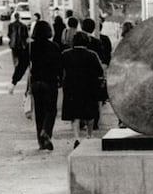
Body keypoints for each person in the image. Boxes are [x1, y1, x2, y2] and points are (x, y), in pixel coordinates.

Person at [62, 32, 103, 149]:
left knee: (74, 114)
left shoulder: (66, 54)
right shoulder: (92, 55)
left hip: (71, 87)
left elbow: (61, 70)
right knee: (89, 113)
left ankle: (76, 137)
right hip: (89, 87)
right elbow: (99, 71)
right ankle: (89, 135)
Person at [29, 21, 62, 150]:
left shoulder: (31, 47)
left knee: (39, 112)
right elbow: (60, 65)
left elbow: (22, 65)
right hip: (50, 82)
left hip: (36, 83)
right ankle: (46, 131)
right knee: (51, 110)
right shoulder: (54, 46)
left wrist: (14, 82)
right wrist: (60, 79)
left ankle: (40, 142)